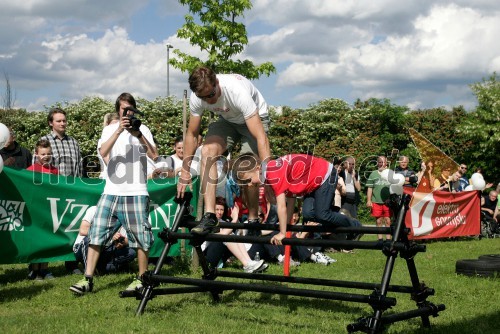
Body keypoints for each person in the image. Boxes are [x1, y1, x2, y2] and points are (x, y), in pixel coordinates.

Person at [70, 92, 158, 295]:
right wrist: (119, 130)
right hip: (111, 190)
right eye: (123, 109)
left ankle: (141, 279)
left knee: (140, 236)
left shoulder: (142, 129)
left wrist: (138, 134)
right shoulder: (110, 128)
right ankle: (88, 279)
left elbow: (154, 154)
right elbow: (103, 152)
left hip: (136, 191)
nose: (126, 112)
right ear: (118, 110)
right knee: (96, 233)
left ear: (134, 109)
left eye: (129, 109)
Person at [177, 66, 271, 236]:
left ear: (217, 83)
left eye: (211, 95)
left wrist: (267, 171)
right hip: (228, 120)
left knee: (247, 170)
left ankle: (252, 219)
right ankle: (210, 216)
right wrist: (185, 172)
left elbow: (261, 137)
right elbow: (191, 134)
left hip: (254, 119)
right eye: (203, 97)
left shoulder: (236, 91)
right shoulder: (197, 96)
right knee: (207, 151)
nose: (209, 101)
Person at [232, 153, 362, 246]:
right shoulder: (271, 170)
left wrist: (282, 232)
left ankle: (355, 226)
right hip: (315, 179)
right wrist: (287, 226)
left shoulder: (273, 173)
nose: (249, 185)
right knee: (308, 214)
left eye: (248, 180)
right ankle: (342, 225)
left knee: (322, 214)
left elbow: (282, 206)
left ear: (257, 169)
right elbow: (291, 198)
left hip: (326, 175)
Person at [40, 107, 83, 274]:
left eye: (64, 120)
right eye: (59, 120)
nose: (63, 123)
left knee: (71, 228)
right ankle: (41, 267)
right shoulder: (44, 140)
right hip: (52, 191)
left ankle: (71, 264)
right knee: (48, 228)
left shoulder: (73, 142)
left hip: (71, 191)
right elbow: (39, 166)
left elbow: (79, 167)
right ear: (51, 123)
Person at [203, 197, 268, 273]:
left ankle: (249, 262)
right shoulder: (210, 221)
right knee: (226, 237)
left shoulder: (223, 221)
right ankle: (247, 264)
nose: (219, 212)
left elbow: (236, 234)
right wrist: (234, 219)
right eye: (217, 209)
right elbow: (222, 234)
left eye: (222, 210)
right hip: (205, 256)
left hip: (219, 254)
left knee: (235, 237)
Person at [26, 139, 58, 280]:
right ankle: (34, 269)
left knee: (47, 239)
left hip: (50, 209)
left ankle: (44, 269)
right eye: (43, 153)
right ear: (36, 154)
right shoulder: (30, 170)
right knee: (35, 239)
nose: (46, 156)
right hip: (35, 210)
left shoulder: (55, 171)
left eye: (48, 154)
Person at [73, 206, 136, 274]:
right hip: (84, 246)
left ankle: (99, 269)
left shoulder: (123, 216)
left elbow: (127, 240)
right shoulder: (94, 209)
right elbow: (83, 231)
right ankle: (90, 271)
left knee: (131, 252)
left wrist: (120, 241)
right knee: (89, 239)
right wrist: (109, 234)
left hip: (107, 249)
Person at [366, 156, 392, 241]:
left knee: (388, 221)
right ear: (377, 163)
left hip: (387, 202)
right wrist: (369, 200)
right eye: (380, 162)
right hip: (376, 201)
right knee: (379, 221)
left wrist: (390, 198)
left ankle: (388, 239)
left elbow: (394, 187)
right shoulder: (373, 174)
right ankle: (380, 239)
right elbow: (370, 188)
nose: (381, 164)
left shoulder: (390, 173)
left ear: (386, 163)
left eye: (383, 162)